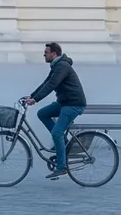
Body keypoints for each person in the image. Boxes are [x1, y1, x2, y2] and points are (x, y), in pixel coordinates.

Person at [24, 42, 87, 180]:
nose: (43, 55)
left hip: (73, 104)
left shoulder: (62, 66)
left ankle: (62, 167)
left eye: (46, 52)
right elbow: (46, 83)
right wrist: (32, 96)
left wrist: (35, 100)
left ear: (54, 54)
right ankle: (63, 142)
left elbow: (52, 85)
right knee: (42, 114)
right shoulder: (57, 66)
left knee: (56, 132)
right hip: (64, 103)